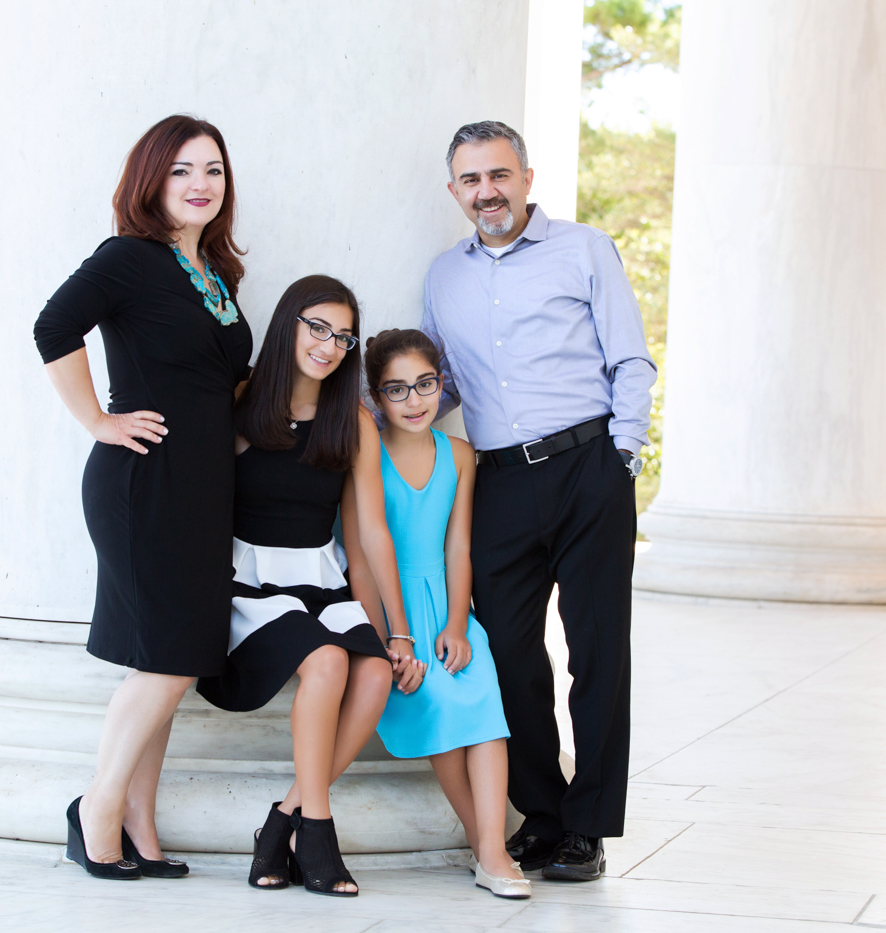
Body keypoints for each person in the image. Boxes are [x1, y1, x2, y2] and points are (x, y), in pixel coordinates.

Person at [421, 121, 656, 882]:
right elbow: (443, 382)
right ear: (454, 190)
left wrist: (621, 458)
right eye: (470, 180)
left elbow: (631, 357)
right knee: (509, 655)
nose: (486, 191)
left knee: (596, 651)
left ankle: (588, 827)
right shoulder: (443, 276)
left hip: (587, 464)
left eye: (498, 175)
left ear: (526, 177)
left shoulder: (584, 249)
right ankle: (542, 814)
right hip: (499, 481)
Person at [33, 114, 252, 880]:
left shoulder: (215, 274)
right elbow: (53, 325)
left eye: (213, 170)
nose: (200, 185)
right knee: (165, 659)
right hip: (144, 483)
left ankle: (139, 823)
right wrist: (97, 419)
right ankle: (96, 808)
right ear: (151, 181)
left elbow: (215, 382)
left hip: (201, 489)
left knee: (173, 656)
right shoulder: (128, 258)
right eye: (182, 170)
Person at [199, 275, 426, 897]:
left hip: (318, 581)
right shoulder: (242, 402)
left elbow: (371, 535)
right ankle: (318, 828)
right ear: (289, 326)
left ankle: (283, 821)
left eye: (343, 336)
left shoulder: (351, 418)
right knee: (326, 663)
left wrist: (396, 631)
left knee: (375, 672)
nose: (329, 345)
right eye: (317, 328)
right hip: (250, 584)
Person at [354, 329, 529, 900]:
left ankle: (492, 849)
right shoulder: (364, 453)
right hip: (389, 612)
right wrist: (383, 637)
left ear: (441, 383)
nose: (414, 401)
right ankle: (489, 847)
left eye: (424, 384)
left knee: (482, 699)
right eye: (396, 390)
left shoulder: (458, 455)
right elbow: (359, 556)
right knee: (436, 703)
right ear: (376, 397)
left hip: (445, 605)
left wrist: (457, 623)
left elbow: (458, 546)